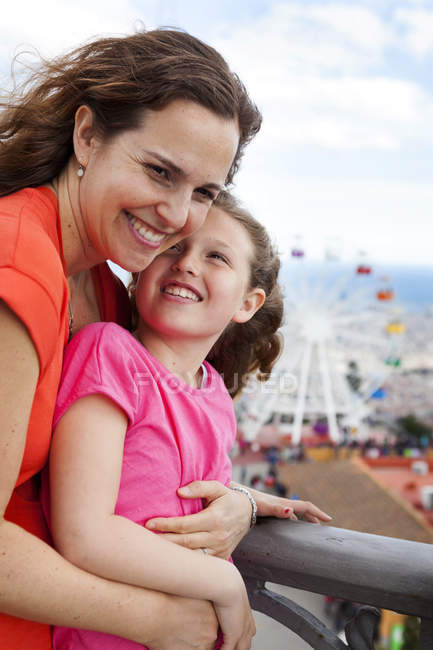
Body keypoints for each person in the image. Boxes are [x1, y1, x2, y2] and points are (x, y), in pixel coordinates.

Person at [0, 28, 263, 650]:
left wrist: (243, 504)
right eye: (159, 171)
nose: (176, 216)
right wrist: (155, 617)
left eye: (203, 192)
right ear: (87, 136)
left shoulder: (101, 288)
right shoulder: (18, 271)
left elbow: (144, 455)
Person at [45, 191, 332, 649]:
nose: (186, 263)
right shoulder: (109, 354)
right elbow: (85, 534)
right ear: (141, 267)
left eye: (215, 256)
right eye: (173, 246)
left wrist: (251, 501)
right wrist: (223, 581)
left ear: (247, 303)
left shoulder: (214, 393)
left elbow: (173, 491)